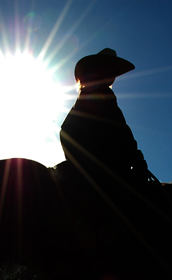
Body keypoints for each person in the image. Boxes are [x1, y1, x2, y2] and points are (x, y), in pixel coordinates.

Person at [60, 48, 158, 192]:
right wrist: (138, 160)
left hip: (80, 157)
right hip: (97, 162)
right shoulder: (103, 94)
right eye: (108, 70)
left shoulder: (85, 95)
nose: (112, 75)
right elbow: (120, 130)